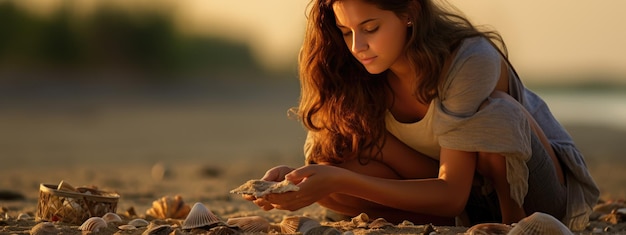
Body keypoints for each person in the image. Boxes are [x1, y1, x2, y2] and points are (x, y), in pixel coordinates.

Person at [243, 0, 599, 230]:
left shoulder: (468, 59)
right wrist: (300, 180)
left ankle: (510, 224)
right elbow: (338, 166)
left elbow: (452, 192)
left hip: (537, 193)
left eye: (370, 28)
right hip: (464, 197)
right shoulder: (363, 74)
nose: (357, 46)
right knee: (333, 152)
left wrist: (336, 180)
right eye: (346, 31)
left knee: (498, 115)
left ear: (409, 12)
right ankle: (460, 224)